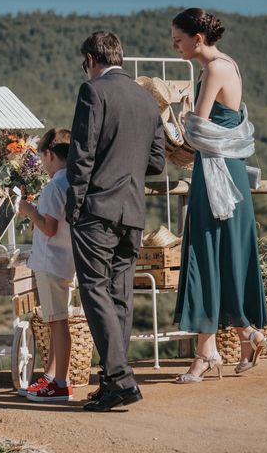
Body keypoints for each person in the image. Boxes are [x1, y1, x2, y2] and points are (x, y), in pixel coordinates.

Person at [170, 8, 267, 383]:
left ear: (198, 38)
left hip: (217, 174)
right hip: (222, 170)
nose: (174, 46)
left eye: (178, 40)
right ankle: (246, 335)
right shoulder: (224, 65)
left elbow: (197, 130)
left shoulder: (214, 69)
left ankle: (206, 354)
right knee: (221, 254)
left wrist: (177, 122)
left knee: (205, 253)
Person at [66, 31, 166, 411]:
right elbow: (156, 162)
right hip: (133, 213)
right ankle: (113, 382)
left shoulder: (93, 92)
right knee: (120, 295)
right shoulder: (146, 98)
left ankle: (120, 379)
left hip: (97, 210)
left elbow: (82, 155)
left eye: (84, 63)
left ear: (91, 59)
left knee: (93, 290)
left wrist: (74, 209)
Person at [18, 128, 75, 402]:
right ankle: (52, 377)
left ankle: (60, 382)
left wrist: (29, 211)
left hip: (51, 262)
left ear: (50, 155)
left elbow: (49, 228)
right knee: (56, 321)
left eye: (42, 158)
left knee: (58, 322)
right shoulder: (70, 183)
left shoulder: (54, 187)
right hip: (63, 260)